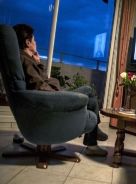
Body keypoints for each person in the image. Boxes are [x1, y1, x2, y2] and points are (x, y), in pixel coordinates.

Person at [13, 24, 108, 156]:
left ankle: (93, 137)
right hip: (54, 99)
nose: (36, 42)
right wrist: (60, 94)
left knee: (90, 98)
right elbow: (40, 86)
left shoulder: (24, 58)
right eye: (34, 40)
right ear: (28, 42)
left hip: (50, 99)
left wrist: (38, 62)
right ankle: (93, 136)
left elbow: (40, 81)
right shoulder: (25, 60)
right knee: (88, 90)